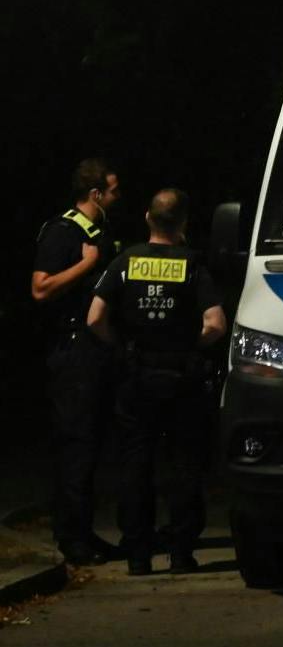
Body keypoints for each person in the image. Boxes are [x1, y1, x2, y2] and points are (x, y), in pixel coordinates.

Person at [87, 189, 226, 575]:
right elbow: (215, 324)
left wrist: (124, 346)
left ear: (148, 217)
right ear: (183, 223)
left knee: (136, 464)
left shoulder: (125, 261)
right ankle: (181, 552)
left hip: (137, 376)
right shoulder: (193, 264)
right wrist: (185, 345)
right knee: (183, 464)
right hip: (181, 379)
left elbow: (95, 319)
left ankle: (137, 554)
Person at [29, 157, 125, 565]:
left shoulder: (101, 231)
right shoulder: (63, 231)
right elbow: (40, 288)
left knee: (91, 445)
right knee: (75, 445)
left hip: (97, 350)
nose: (119, 196)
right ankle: (71, 538)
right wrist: (85, 264)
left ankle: (83, 530)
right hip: (73, 352)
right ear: (95, 194)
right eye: (114, 189)